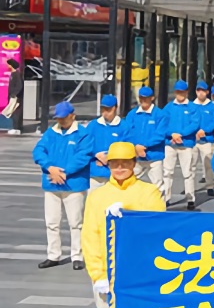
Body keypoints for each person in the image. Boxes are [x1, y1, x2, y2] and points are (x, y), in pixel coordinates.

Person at [81, 141, 165, 308]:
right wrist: (97, 274)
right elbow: (90, 236)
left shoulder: (149, 193)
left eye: (125, 163)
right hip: (107, 274)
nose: (120, 167)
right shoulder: (97, 196)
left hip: (137, 274)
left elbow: (156, 232)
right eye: (115, 163)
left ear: (133, 164)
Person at [32, 101, 91, 271]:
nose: (61, 121)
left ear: (73, 116)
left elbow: (83, 156)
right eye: (59, 118)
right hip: (52, 183)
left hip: (74, 184)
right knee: (52, 222)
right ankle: (53, 255)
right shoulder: (52, 132)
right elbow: (38, 151)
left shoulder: (83, 134)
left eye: (64, 118)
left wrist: (65, 172)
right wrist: (49, 167)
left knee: (76, 222)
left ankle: (77, 255)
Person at [162, 80, 199, 209]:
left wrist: (180, 134)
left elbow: (195, 124)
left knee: (188, 172)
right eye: (178, 92)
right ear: (175, 92)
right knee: (167, 172)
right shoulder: (168, 107)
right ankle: (166, 198)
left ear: (187, 92)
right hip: (170, 144)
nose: (180, 94)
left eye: (182, 92)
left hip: (186, 144)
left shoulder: (193, 107)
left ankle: (190, 199)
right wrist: (172, 134)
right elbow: (162, 124)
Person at [124, 86, 167, 196]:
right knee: (129, 182)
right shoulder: (132, 114)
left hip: (154, 156)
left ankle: (160, 210)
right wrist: (136, 147)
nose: (143, 100)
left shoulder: (160, 114)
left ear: (152, 98)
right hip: (136, 156)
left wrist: (144, 146)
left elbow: (160, 135)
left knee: (158, 185)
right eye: (141, 98)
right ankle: (131, 208)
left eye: (146, 98)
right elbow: (127, 133)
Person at [87, 94, 126, 190]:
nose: (105, 113)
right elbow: (84, 145)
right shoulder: (93, 126)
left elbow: (127, 147)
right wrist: (96, 155)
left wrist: (110, 157)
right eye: (103, 109)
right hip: (94, 174)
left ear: (115, 108)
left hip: (116, 175)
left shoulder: (124, 126)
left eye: (108, 110)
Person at [193, 81, 214, 198]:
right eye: (198, 90)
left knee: (208, 165)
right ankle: (191, 188)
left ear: (207, 92)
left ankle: (210, 186)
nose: (201, 93)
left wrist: (204, 130)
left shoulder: (213, 107)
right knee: (191, 165)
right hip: (193, 140)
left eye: (203, 91)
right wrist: (194, 131)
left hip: (207, 140)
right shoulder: (191, 106)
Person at [3, 58, 23, 134]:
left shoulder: (17, 74)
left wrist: (14, 94)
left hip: (16, 97)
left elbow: (19, 86)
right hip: (13, 96)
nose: (7, 66)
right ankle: (15, 127)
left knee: (16, 112)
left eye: (8, 64)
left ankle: (16, 128)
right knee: (13, 112)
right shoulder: (13, 74)